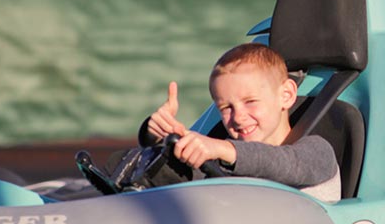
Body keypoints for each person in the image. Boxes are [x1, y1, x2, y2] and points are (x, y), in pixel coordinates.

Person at [142, 43, 341, 202]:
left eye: (250, 102)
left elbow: (281, 164)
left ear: (286, 95)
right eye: (226, 108)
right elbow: (177, 180)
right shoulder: (222, 161)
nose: (237, 117)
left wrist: (223, 148)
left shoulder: (317, 153)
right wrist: (159, 139)